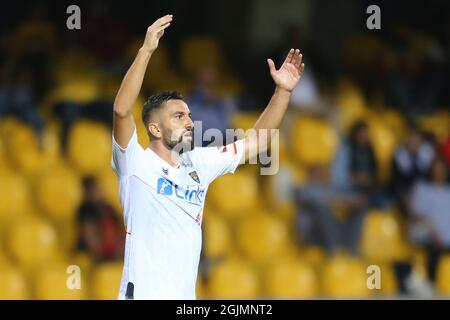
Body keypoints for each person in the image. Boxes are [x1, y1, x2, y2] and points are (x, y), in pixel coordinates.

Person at [111, 15, 304, 299]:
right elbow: (121, 110)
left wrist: (282, 92)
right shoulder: (135, 163)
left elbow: (257, 140)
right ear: (154, 128)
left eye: (189, 115)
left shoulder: (198, 163)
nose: (189, 122)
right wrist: (146, 50)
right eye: (179, 116)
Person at [76, 176, 124, 262]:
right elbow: (89, 234)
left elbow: (121, 228)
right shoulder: (86, 210)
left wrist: (119, 250)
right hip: (97, 256)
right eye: (93, 190)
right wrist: (100, 254)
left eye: (97, 188)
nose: (97, 192)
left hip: (113, 252)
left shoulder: (108, 207)